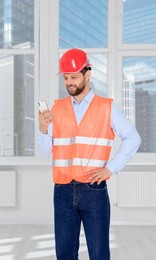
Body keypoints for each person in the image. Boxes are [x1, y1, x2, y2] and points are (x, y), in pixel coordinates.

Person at [37, 48, 141, 260]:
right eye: (66, 78)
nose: (69, 83)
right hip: (63, 190)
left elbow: (133, 138)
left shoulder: (106, 107)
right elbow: (46, 150)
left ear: (87, 74)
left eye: (74, 77)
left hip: (93, 190)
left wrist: (110, 168)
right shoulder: (57, 108)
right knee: (65, 254)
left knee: (99, 253)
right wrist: (42, 129)